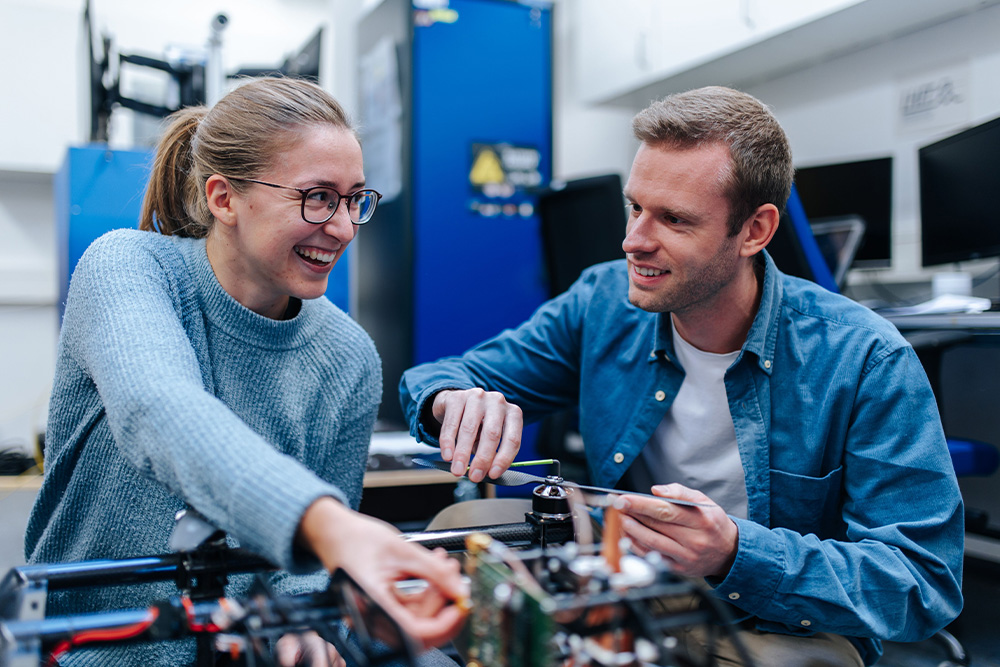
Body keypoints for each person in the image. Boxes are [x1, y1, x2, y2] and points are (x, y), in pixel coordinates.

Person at [399, 86, 964, 666]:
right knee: (458, 529)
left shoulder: (864, 357)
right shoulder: (601, 301)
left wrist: (735, 553)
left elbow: (921, 581)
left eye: (673, 218)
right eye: (635, 207)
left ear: (755, 231)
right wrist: (453, 399)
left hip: (774, 620)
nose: (633, 240)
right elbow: (443, 374)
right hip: (623, 578)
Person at [26, 77, 466, 666]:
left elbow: (300, 575)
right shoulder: (127, 269)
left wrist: (301, 628)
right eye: (316, 197)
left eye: (354, 199)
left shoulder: (348, 357)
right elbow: (160, 411)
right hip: (94, 649)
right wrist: (329, 526)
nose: (340, 227)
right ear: (223, 198)